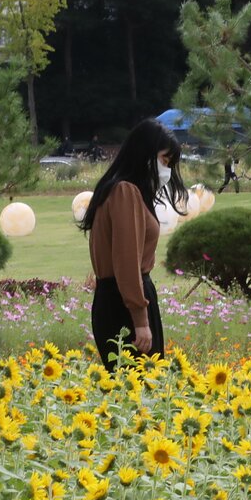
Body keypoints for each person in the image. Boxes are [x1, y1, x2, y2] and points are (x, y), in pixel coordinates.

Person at [80, 119, 187, 369]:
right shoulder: (125, 192)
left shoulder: (121, 190)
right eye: (163, 160)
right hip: (124, 302)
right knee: (140, 387)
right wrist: (140, 318)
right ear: (145, 154)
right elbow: (127, 263)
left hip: (119, 297)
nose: (166, 169)